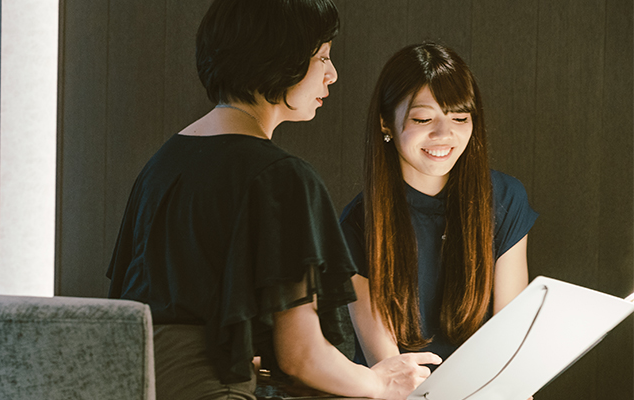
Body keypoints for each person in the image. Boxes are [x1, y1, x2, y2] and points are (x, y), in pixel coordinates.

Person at [105, 1, 440, 399]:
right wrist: (380, 382)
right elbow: (302, 355)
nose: (331, 75)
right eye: (322, 57)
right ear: (279, 59)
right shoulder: (282, 177)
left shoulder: (161, 165)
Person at [341, 42, 538, 369]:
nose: (444, 134)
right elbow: (390, 369)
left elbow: (508, 338)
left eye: (460, 117)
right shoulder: (359, 222)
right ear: (385, 123)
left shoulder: (504, 198)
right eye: (422, 119)